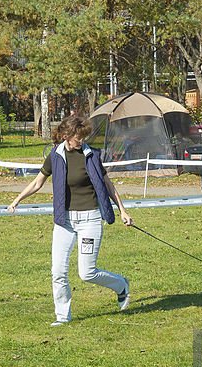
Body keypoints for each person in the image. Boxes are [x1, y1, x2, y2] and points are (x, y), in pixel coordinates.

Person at [7, 114, 133, 326]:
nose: (81, 141)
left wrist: (122, 210)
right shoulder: (55, 156)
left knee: (87, 273)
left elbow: (108, 185)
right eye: (77, 137)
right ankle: (63, 316)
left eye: (83, 137)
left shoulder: (91, 155)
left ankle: (121, 285)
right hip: (64, 221)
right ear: (66, 135)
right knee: (58, 271)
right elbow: (38, 182)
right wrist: (17, 200)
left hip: (90, 220)